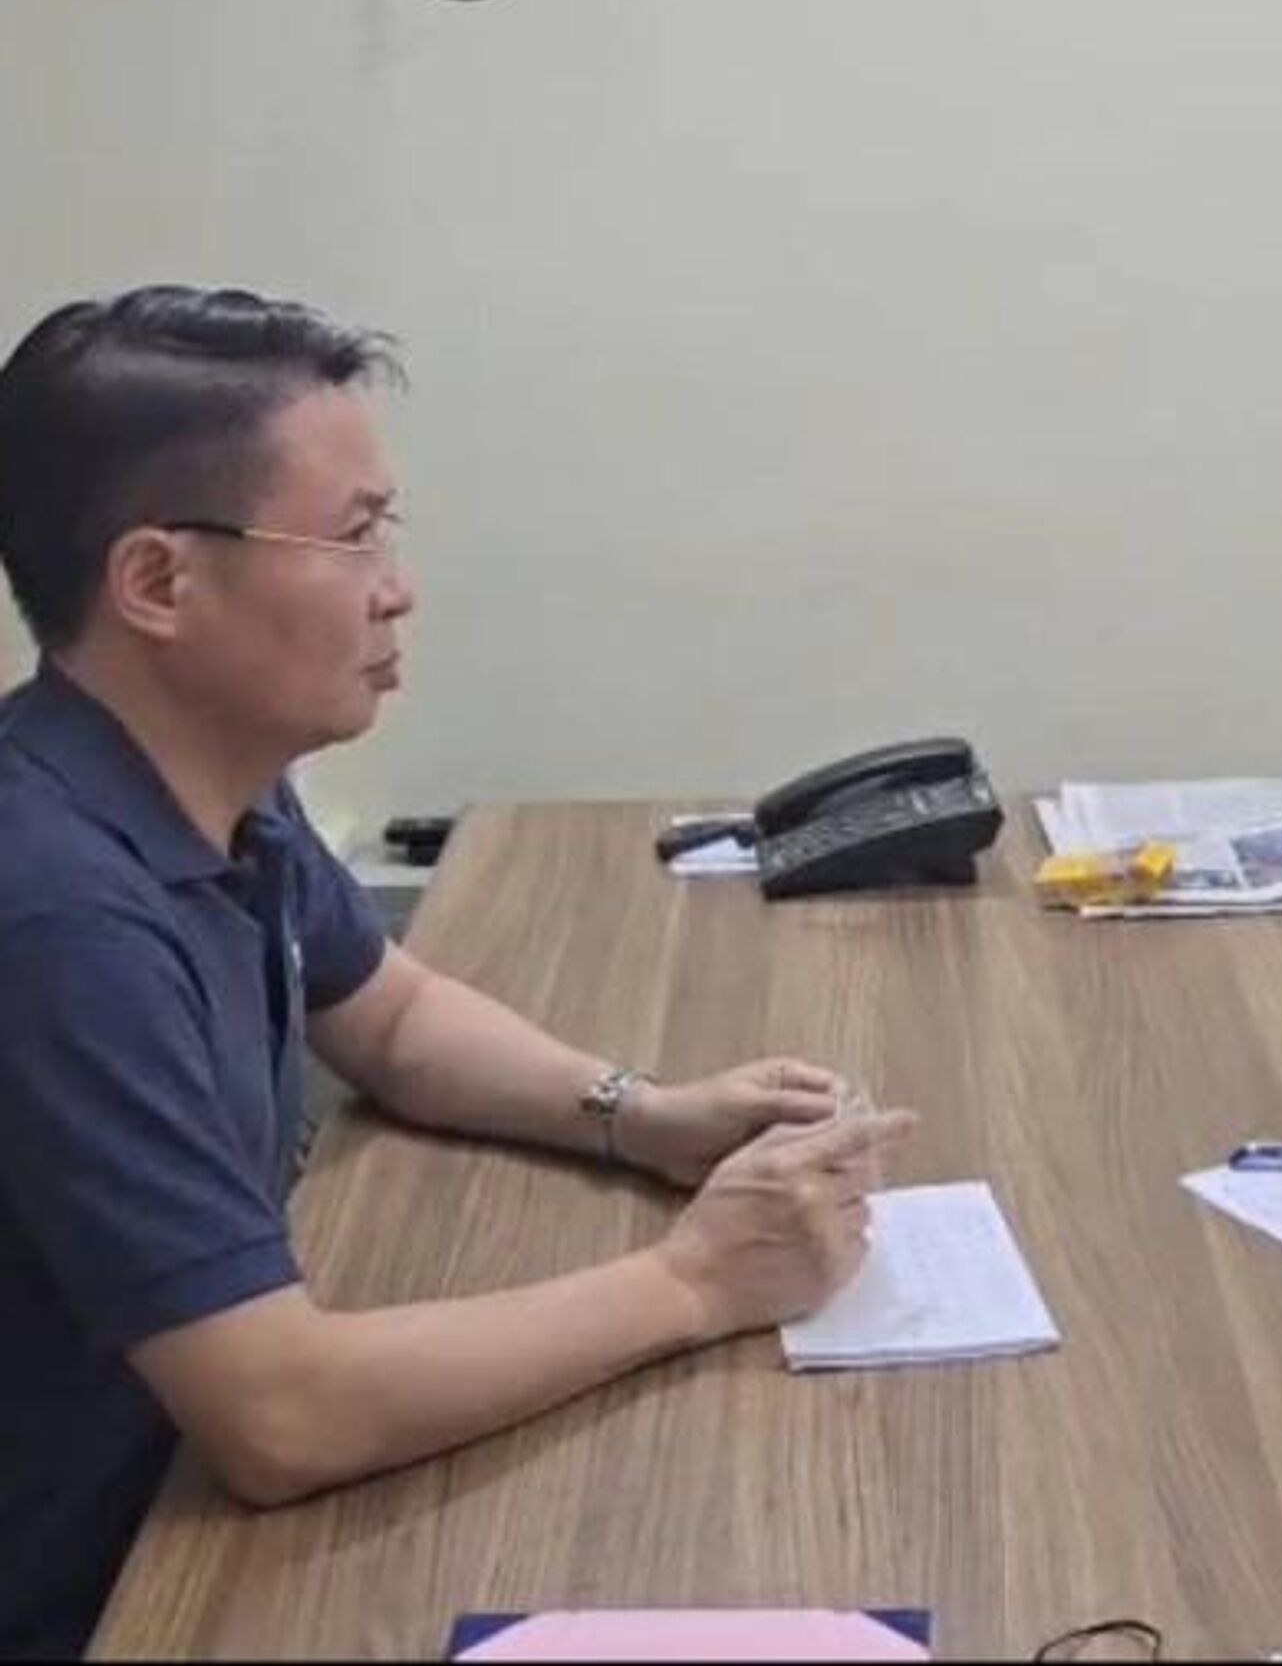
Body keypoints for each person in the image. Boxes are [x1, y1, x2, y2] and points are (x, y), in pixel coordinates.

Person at [0, 285, 916, 1659]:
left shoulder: (205, 784)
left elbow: (396, 1018)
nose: (396, 586)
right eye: (352, 535)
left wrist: (644, 1113)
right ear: (158, 584)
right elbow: (280, 1416)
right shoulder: (59, 917)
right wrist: (695, 1282)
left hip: (190, 1507)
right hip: (106, 1589)